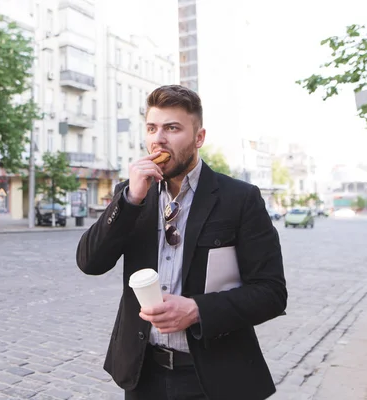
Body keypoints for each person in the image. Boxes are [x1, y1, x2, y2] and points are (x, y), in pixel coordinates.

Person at [76, 85, 287, 400]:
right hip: (143, 373)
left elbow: (272, 293)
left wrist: (197, 310)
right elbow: (90, 262)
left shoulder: (239, 199)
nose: (158, 139)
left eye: (172, 128)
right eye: (152, 128)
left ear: (198, 138)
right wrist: (131, 199)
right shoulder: (133, 193)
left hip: (212, 377)